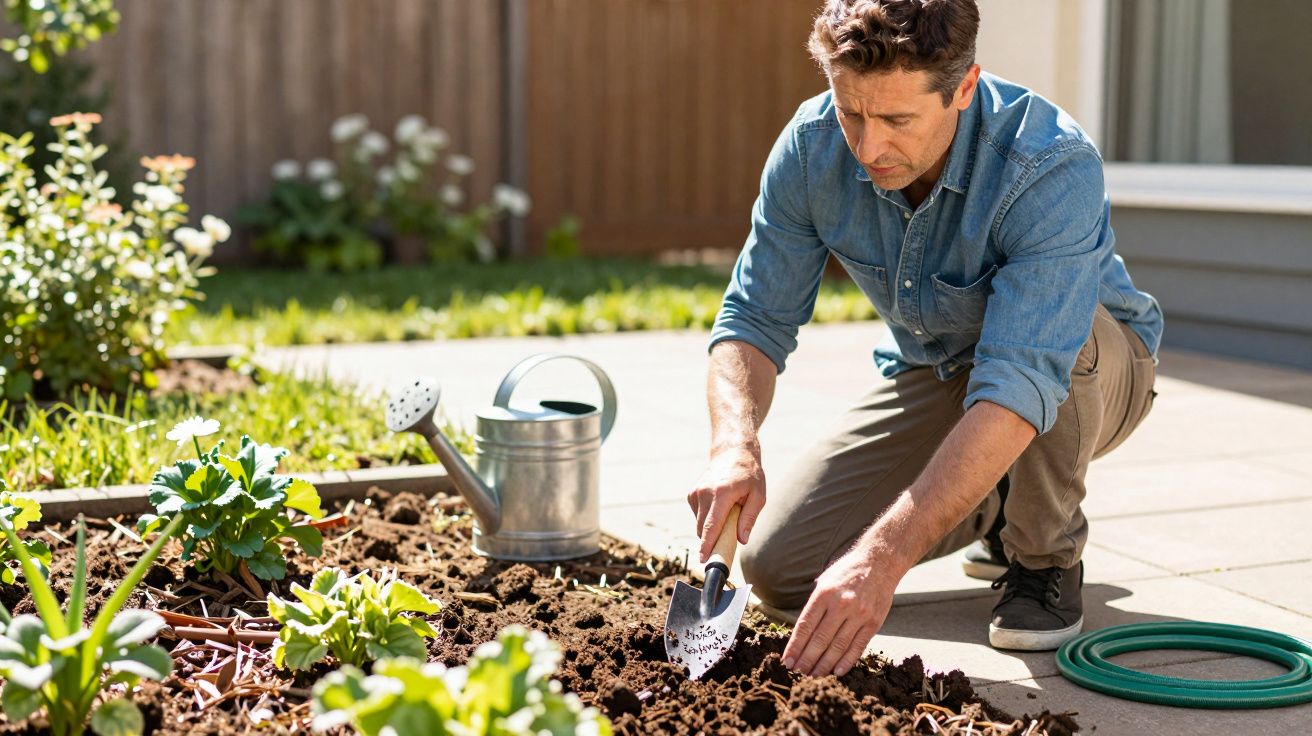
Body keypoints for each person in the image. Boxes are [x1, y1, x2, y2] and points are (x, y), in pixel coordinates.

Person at [687, 0, 1162, 679]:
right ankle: (992, 493)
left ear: (963, 88)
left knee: (1068, 338)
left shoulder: (1048, 162)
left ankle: (1043, 559)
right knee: (780, 569)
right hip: (942, 370)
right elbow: (753, 319)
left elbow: (1023, 379)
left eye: (898, 120)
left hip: (1090, 371)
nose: (868, 146)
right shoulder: (811, 146)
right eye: (852, 112)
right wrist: (733, 444)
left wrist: (884, 559)